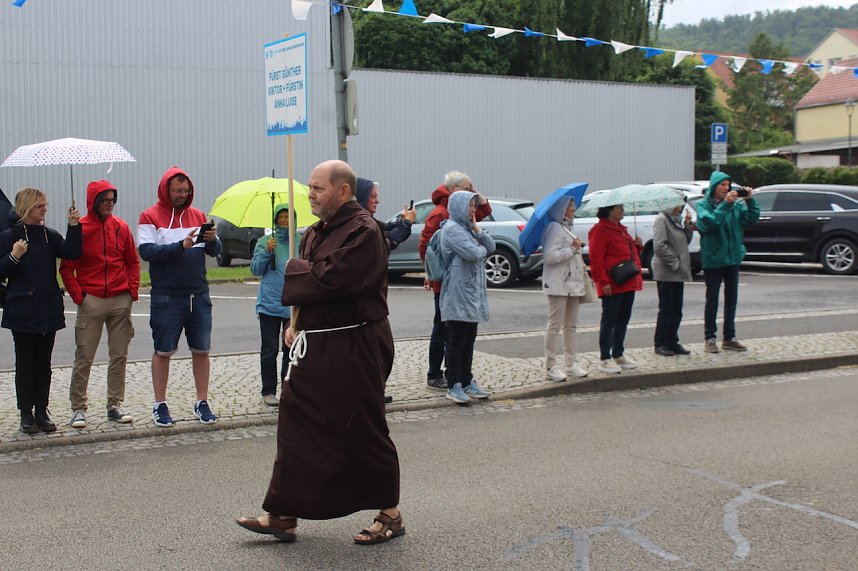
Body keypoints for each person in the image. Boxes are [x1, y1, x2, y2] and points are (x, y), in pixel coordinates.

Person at [237, 160, 403, 545]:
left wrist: (295, 269)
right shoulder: (313, 233)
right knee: (296, 422)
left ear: (343, 191)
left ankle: (390, 513)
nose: (310, 194)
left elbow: (333, 278)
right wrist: (296, 323)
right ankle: (283, 512)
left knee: (360, 427)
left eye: (318, 188)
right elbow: (311, 284)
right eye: (309, 188)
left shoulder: (365, 231)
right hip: (317, 344)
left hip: (356, 344)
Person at [137, 167, 222, 427]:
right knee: (163, 351)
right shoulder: (149, 216)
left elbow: (215, 250)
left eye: (185, 191)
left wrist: (211, 239)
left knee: (201, 350)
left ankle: (202, 401)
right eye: (177, 191)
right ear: (166, 189)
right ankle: (160, 404)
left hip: (198, 294)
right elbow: (147, 251)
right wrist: (179, 246)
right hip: (167, 296)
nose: (182, 195)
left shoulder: (198, 215)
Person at [0, 188, 81, 434]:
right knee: (25, 363)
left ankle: (41, 410)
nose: (44, 209)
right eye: (39, 206)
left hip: (47, 309)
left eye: (45, 205)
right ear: (26, 209)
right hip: (22, 311)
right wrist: (14, 256)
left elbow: (72, 252)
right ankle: (26, 413)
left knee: (43, 364)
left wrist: (74, 226)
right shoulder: (10, 236)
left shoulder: (49, 236)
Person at [60, 180, 140, 428]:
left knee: (119, 355)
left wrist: (131, 292)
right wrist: (80, 297)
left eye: (112, 200)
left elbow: (132, 261)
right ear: (93, 202)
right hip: (91, 300)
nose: (110, 205)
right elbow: (66, 268)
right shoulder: (80, 229)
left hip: (119, 299)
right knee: (84, 355)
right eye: (105, 201)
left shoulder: (121, 227)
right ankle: (78, 408)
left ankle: (114, 404)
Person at [418, 172, 491, 391]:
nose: (472, 192)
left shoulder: (462, 213)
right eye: (469, 188)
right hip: (446, 283)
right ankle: (438, 374)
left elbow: (484, 212)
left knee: (461, 333)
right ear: (454, 189)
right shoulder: (440, 214)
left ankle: (460, 376)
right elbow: (426, 247)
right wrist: (429, 273)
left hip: (462, 283)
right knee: (444, 330)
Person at [438, 190, 495, 404]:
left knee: (468, 340)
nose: (473, 210)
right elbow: (474, 254)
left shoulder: (468, 228)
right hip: (457, 294)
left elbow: (490, 247)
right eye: (470, 206)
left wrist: (478, 231)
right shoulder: (452, 229)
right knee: (456, 341)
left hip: (471, 295)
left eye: (474, 206)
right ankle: (454, 384)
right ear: (458, 207)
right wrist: (479, 248)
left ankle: (467, 380)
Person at [695, 171, 759, 353]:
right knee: (712, 300)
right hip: (714, 259)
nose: (726, 188)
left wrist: (750, 200)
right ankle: (710, 338)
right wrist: (725, 204)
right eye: (722, 185)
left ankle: (729, 337)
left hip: (732, 258)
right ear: (714, 187)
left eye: (728, 185)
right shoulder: (703, 206)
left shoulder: (734, 205)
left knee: (732, 299)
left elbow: (751, 219)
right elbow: (711, 222)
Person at [588, 203, 643, 374]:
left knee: (623, 319)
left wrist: (638, 246)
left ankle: (618, 353)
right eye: (619, 207)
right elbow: (596, 258)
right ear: (609, 211)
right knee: (609, 320)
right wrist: (603, 282)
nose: (622, 210)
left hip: (628, 280)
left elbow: (628, 253)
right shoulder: (601, 230)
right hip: (613, 282)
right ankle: (605, 357)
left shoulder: (621, 229)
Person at [250, 204, 295, 407]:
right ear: (275, 220)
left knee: (291, 349)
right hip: (269, 304)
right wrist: (267, 252)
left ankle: (289, 388)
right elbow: (256, 269)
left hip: (293, 304)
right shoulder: (265, 242)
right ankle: (268, 390)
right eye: (281, 217)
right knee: (269, 349)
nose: (285, 220)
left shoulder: (300, 242)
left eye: (288, 217)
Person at [541, 197, 589, 381]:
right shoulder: (554, 228)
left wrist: (574, 247)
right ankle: (550, 366)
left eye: (573, 205)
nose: (573, 209)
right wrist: (573, 249)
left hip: (571, 283)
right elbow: (550, 256)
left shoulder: (567, 228)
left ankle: (570, 363)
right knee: (554, 325)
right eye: (570, 206)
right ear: (561, 209)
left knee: (571, 325)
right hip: (558, 283)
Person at [651, 202, 694, 357]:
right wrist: (675, 263)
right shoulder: (662, 219)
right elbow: (659, 246)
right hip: (667, 272)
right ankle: (660, 343)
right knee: (666, 309)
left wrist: (688, 226)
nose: (681, 207)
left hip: (678, 272)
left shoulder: (677, 220)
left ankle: (672, 341)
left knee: (677, 310)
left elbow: (685, 242)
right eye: (678, 204)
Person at [355, 177, 416, 251]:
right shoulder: (359, 223)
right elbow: (388, 240)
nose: (377, 201)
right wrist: (407, 222)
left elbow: (387, 228)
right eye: (373, 196)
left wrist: (402, 221)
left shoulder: (367, 219)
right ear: (361, 198)